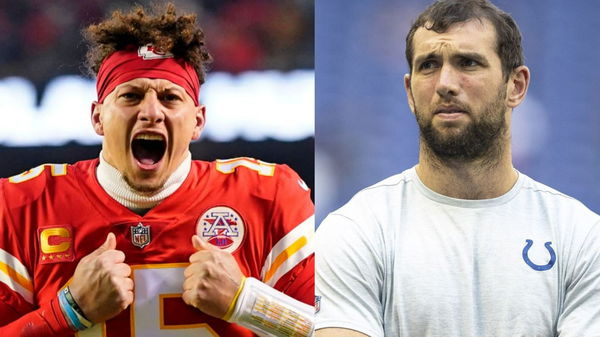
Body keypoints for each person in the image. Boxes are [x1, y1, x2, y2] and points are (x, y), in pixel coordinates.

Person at [0, 3, 314, 337]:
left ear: (197, 121)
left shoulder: (267, 196)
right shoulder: (23, 204)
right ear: (97, 118)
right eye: (131, 96)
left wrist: (247, 301)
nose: (151, 111)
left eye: (170, 98)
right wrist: (66, 312)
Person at [315, 0, 600, 336]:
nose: (445, 83)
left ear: (516, 86)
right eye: (429, 66)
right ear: (409, 91)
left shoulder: (581, 236)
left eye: (468, 63)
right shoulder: (354, 232)